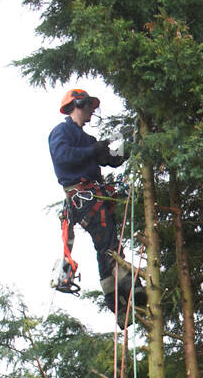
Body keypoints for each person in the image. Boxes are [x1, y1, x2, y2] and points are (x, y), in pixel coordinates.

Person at [48, 87, 145, 323]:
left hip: (94, 193)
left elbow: (108, 158)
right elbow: (63, 157)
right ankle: (124, 292)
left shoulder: (88, 140)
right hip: (81, 195)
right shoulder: (61, 132)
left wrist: (129, 145)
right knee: (107, 241)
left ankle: (119, 300)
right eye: (90, 105)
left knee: (108, 242)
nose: (93, 110)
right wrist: (92, 150)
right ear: (78, 104)